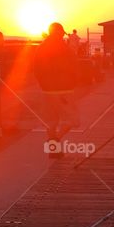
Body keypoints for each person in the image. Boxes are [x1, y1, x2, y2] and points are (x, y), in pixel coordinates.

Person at [34, 22, 79, 157]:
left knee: (51, 120)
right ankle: (55, 139)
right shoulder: (64, 48)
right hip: (63, 89)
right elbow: (73, 66)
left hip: (47, 90)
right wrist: (73, 82)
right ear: (59, 32)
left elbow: (36, 69)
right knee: (73, 120)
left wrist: (43, 85)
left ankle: (54, 151)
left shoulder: (41, 47)